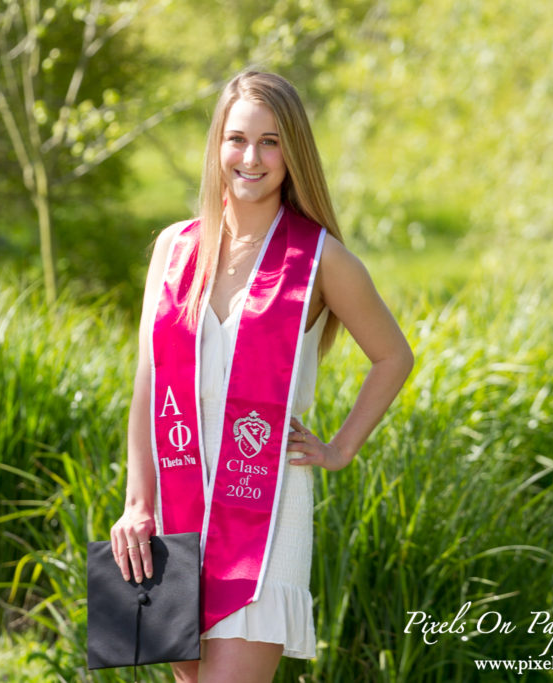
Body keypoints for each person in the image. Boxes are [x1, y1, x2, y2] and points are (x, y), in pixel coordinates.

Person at [110, 70, 414, 683]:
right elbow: (148, 381)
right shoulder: (173, 250)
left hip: (266, 514)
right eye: (237, 138)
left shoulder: (321, 259)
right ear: (216, 144)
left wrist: (339, 450)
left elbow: (394, 356)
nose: (251, 158)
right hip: (177, 507)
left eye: (271, 142)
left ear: (293, 152)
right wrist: (136, 504)